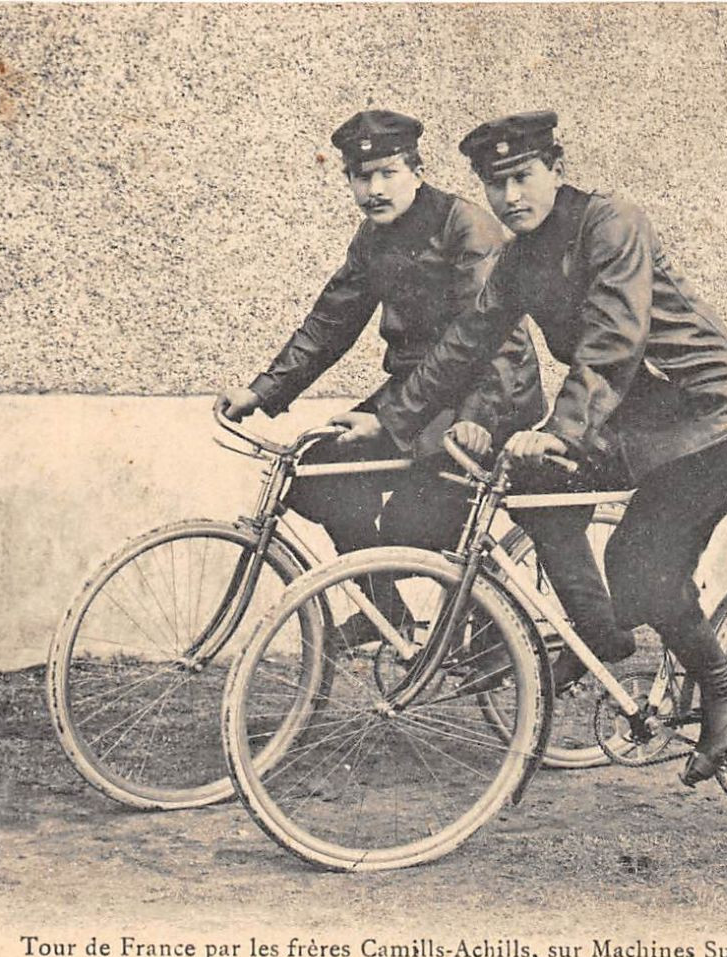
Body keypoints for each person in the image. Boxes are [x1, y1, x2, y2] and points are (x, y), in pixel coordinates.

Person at [345, 111, 727, 786]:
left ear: (556, 169)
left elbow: (612, 340)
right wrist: (391, 418)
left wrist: (561, 431)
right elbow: (466, 341)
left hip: (711, 417)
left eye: (522, 177)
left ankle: (725, 685)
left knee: (640, 559)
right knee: (534, 490)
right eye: (495, 184)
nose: (510, 197)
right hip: (638, 419)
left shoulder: (609, 223)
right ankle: (598, 634)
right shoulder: (520, 256)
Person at [218, 109, 543, 643]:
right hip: (418, 396)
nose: (374, 188)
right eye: (360, 176)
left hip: (487, 396)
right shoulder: (373, 237)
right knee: (320, 476)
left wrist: (404, 421)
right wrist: (262, 390)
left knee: (410, 527)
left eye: (388, 172)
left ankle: (495, 626)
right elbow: (332, 319)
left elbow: (490, 344)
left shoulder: (467, 226)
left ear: (416, 170)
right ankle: (383, 611)